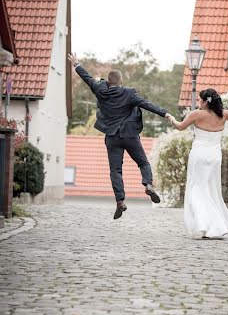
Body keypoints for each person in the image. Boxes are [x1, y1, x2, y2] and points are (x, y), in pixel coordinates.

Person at [68, 53, 171, 219]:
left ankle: (120, 201)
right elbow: (147, 104)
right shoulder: (129, 94)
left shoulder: (100, 90)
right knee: (143, 162)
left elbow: (88, 79)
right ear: (121, 81)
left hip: (112, 137)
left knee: (115, 170)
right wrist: (165, 114)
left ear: (108, 81)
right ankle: (148, 184)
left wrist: (76, 64)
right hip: (130, 136)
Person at [167, 88, 228, 239]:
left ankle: (203, 225)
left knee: (196, 188)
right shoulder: (224, 114)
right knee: (211, 189)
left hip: (199, 154)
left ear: (204, 102)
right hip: (214, 156)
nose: (199, 103)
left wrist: (171, 119)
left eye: (200, 100)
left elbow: (180, 127)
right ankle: (216, 225)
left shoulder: (196, 114)